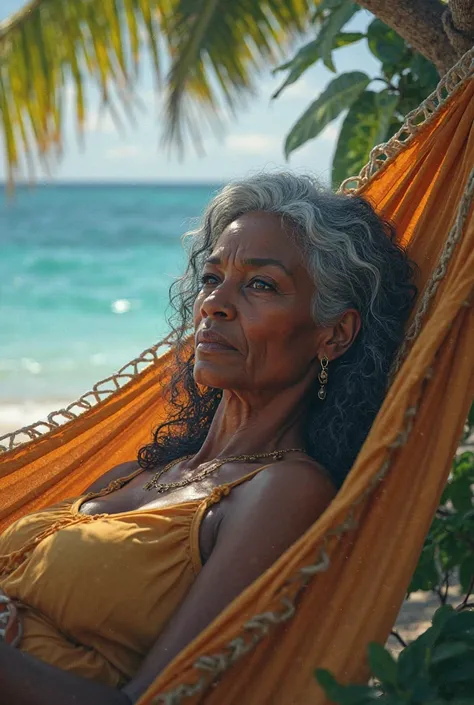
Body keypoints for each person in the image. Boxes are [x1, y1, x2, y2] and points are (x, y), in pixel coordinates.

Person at [0, 172, 418, 705]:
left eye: (260, 285)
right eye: (211, 278)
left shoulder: (282, 490)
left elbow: (151, 699)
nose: (214, 305)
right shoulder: (139, 474)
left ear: (333, 334)